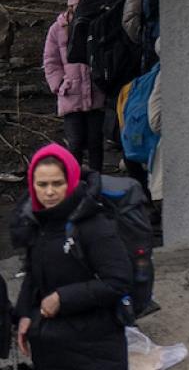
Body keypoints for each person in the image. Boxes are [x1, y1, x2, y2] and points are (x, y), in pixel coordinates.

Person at [13, 144, 133, 370]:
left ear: (72, 181)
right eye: (42, 184)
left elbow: (119, 281)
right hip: (51, 346)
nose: (49, 192)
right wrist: (26, 314)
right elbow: (33, 274)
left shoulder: (95, 225)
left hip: (95, 349)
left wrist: (62, 298)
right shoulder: (39, 224)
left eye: (57, 183)